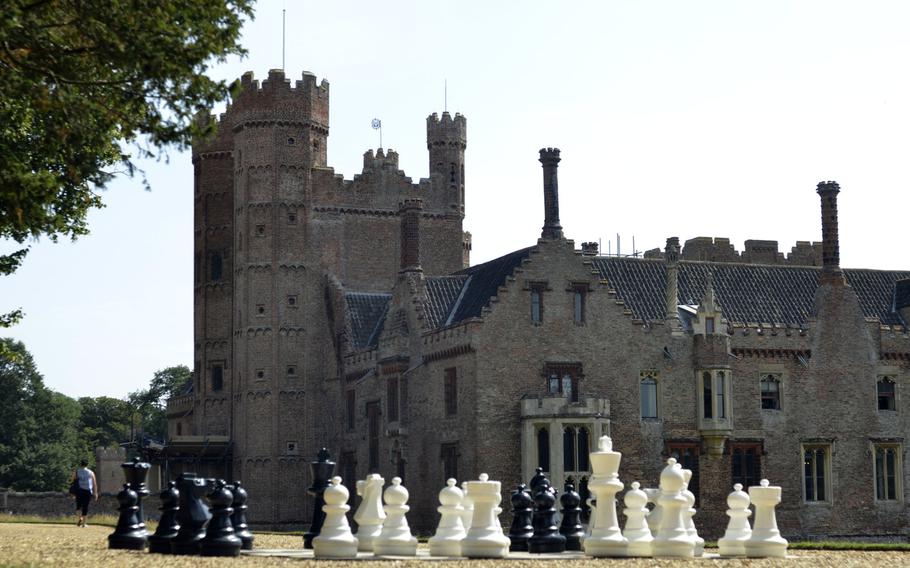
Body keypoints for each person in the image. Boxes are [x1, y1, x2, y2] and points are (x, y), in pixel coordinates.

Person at [71, 459, 99, 527]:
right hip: (87, 491)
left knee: (78, 506)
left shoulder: (77, 471)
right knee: (85, 507)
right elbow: (94, 483)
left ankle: (80, 518)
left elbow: (72, 480)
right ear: (87, 464)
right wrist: (95, 493)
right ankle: (84, 524)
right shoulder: (91, 472)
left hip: (79, 490)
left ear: (81, 464)